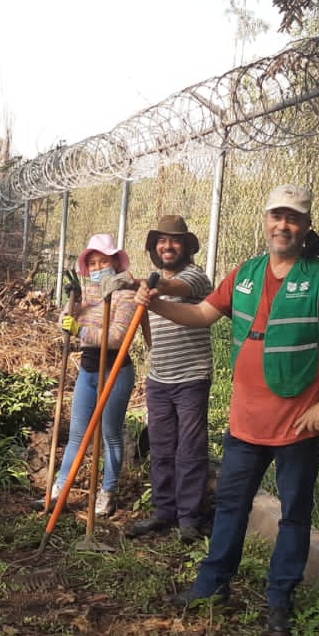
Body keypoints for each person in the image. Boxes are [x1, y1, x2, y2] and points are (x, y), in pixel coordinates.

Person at [137, 184, 319, 636]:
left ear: (305, 226)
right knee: (230, 504)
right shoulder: (246, 273)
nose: (284, 225)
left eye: (294, 218)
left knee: (294, 513)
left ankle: (280, 598)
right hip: (246, 419)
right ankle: (211, 584)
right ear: (266, 220)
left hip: (299, 422)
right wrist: (157, 304)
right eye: (277, 216)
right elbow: (202, 314)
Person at [127, 215, 214, 544]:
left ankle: (189, 518)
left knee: (190, 449)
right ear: (154, 247)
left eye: (175, 240)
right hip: (159, 378)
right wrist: (145, 291)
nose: (168, 245)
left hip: (192, 377)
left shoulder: (194, 277)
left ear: (186, 246)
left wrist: (148, 286)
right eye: (162, 240)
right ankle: (164, 512)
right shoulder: (151, 286)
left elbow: (175, 288)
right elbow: (147, 325)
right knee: (162, 448)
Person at [52, 233, 140, 518]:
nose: (99, 265)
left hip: (116, 370)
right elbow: (66, 322)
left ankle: (107, 492)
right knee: (77, 434)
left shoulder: (126, 294)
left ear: (115, 261)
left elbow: (116, 337)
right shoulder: (88, 291)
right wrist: (71, 304)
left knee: (110, 434)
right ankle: (59, 490)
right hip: (89, 369)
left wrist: (80, 331)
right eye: (94, 261)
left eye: (104, 260)